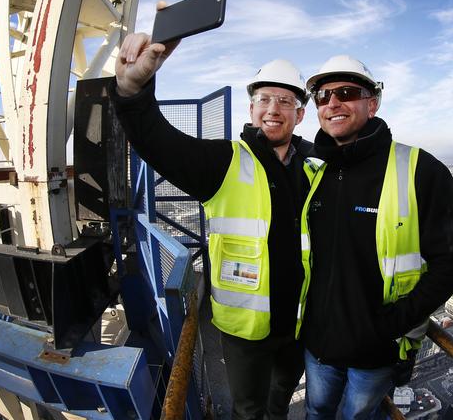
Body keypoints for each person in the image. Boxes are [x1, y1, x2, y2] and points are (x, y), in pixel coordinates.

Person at [111, 30, 316, 420]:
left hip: (298, 324)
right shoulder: (224, 162)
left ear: (299, 114)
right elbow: (159, 142)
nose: (273, 108)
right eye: (264, 99)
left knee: (279, 402)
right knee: (247, 410)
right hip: (245, 330)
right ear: (251, 109)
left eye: (285, 101)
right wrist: (132, 92)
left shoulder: (312, 170)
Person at [295, 55, 453, 419]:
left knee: (358, 417)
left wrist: (392, 324)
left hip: (375, 353)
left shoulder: (420, 170)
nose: (333, 103)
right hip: (319, 346)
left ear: (372, 103)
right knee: (316, 412)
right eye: (323, 95)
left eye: (346, 92)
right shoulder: (316, 169)